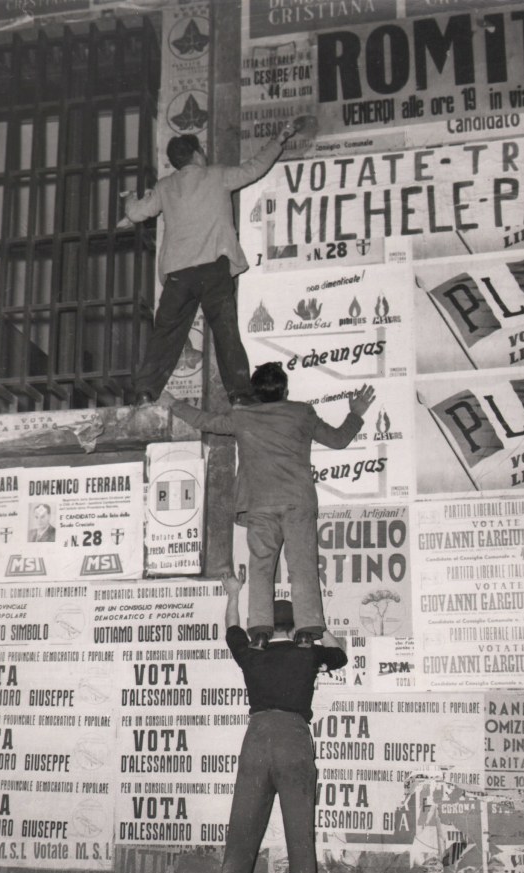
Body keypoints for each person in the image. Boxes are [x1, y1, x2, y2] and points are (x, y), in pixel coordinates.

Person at [160, 363, 375, 646]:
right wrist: (355, 413)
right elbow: (337, 440)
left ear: (256, 393)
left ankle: (260, 630)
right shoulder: (301, 412)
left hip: (259, 506)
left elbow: (205, 421)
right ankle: (308, 630)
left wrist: (173, 403)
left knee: (261, 567)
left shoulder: (242, 417)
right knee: (302, 567)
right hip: (298, 503)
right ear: (285, 390)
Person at [119, 124, 296, 406]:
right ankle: (239, 395)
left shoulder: (165, 187)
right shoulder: (217, 175)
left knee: (165, 335)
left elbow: (138, 213)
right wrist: (278, 140)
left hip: (179, 276)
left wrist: (129, 198)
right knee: (227, 334)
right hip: (214, 271)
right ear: (197, 154)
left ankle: (145, 391)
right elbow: (255, 168)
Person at [212, 573, 347, 873]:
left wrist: (233, 594)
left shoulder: (252, 657)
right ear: (295, 628)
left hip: (257, 737)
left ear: (268, 628)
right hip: (292, 738)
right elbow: (341, 655)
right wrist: (315, 625)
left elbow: (231, 629)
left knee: (242, 829)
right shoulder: (309, 653)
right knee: (299, 832)